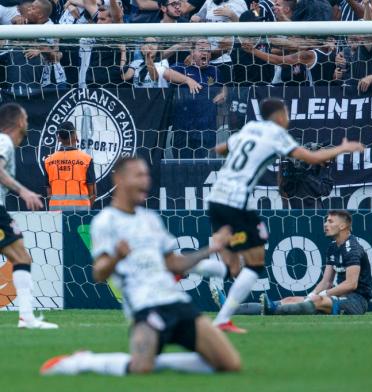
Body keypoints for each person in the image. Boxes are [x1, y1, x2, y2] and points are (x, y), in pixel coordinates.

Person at [40, 156, 241, 376]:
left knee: (230, 364)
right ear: (120, 178)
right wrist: (117, 256)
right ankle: (83, 362)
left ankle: (160, 362)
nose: (146, 181)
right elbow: (98, 273)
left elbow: (174, 263)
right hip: (145, 308)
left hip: (176, 302)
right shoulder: (105, 221)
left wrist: (210, 250)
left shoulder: (151, 219)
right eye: (139, 175)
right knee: (141, 368)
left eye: (147, 175)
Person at [204, 98, 364, 333]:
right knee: (253, 262)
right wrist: (343, 149)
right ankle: (212, 301)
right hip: (235, 201)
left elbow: (221, 149)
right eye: (286, 113)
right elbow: (313, 158)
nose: (287, 118)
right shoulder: (276, 134)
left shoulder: (249, 128)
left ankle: (195, 270)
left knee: (237, 268)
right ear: (279, 116)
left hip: (216, 196)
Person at [0, 103, 58, 329]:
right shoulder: (3, 141)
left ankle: (27, 317)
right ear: (19, 122)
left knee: (21, 257)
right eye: (25, 118)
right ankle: (27, 318)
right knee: (22, 257)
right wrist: (23, 191)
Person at [262, 210, 372, 316]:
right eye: (326, 221)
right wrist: (311, 295)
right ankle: (261, 307)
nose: (325, 224)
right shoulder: (333, 247)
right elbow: (326, 282)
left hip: (357, 301)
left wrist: (324, 294)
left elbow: (351, 284)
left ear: (342, 226)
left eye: (330, 221)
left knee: (317, 300)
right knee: (290, 299)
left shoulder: (352, 249)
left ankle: (273, 310)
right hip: (338, 296)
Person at [44, 121, 96, 211]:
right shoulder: (86, 160)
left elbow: (49, 193)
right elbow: (93, 193)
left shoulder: (49, 161)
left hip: (56, 212)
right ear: (75, 136)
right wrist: (86, 209)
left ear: (58, 138)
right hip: (80, 212)